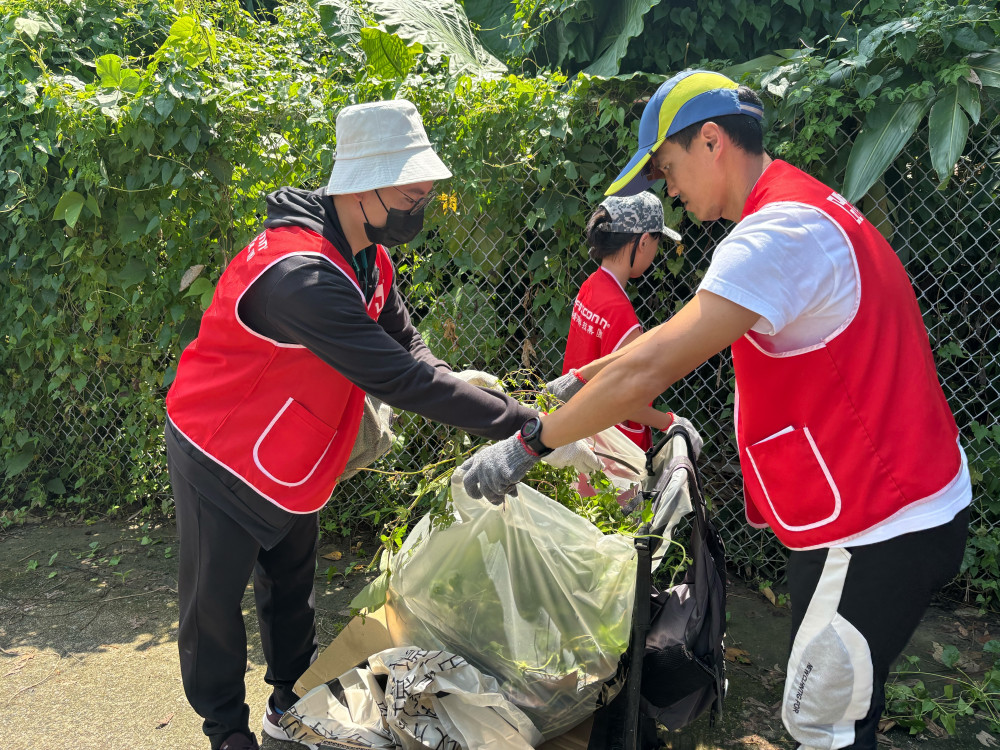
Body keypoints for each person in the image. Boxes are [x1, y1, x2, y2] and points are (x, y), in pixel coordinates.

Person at [458, 70, 972, 750]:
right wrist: (579, 381)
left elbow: (653, 361)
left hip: (882, 516)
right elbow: (679, 330)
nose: (669, 190)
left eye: (668, 169)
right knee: (842, 704)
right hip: (865, 499)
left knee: (820, 718)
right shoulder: (799, 208)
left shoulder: (775, 235)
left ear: (711, 141)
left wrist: (530, 443)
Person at [164, 99, 598, 750]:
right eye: (411, 195)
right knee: (213, 607)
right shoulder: (299, 274)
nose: (420, 209)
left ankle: (290, 705)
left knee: (291, 586)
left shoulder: (367, 256)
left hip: (289, 451)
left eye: (425, 194)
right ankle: (226, 731)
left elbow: (412, 351)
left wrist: (457, 377)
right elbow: (398, 379)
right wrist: (525, 423)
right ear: (362, 189)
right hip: (219, 448)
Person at [563, 192, 679, 451]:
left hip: (577, 429)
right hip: (611, 449)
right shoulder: (622, 315)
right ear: (644, 241)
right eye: (658, 243)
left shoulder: (590, 286)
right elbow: (627, 401)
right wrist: (670, 421)